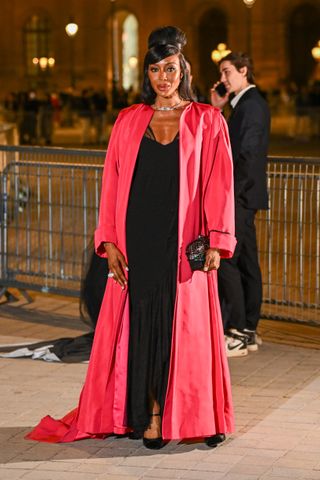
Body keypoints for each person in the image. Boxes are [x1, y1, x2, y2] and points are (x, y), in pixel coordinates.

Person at [26, 26, 236, 450]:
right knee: (143, 326)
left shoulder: (207, 120)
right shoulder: (128, 120)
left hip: (184, 243)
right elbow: (112, 182)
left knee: (188, 329)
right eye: (156, 69)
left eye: (171, 69)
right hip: (138, 240)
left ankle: (201, 413)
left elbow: (220, 183)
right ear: (148, 73)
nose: (163, 77)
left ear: (183, 70)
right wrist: (109, 242)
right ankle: (153, 415)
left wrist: (217, 239)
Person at [211, 52, 270, 357]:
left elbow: (245, 156)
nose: (222, 79)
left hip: (240, 197)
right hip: (244, 196)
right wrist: (217, 110)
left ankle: (238, 331)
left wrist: (230, 198)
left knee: (229, 260)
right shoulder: (244, 105)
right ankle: (248, 328)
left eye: (227, 72)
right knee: (246, 262)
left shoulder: (251, 106)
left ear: (244, 71)